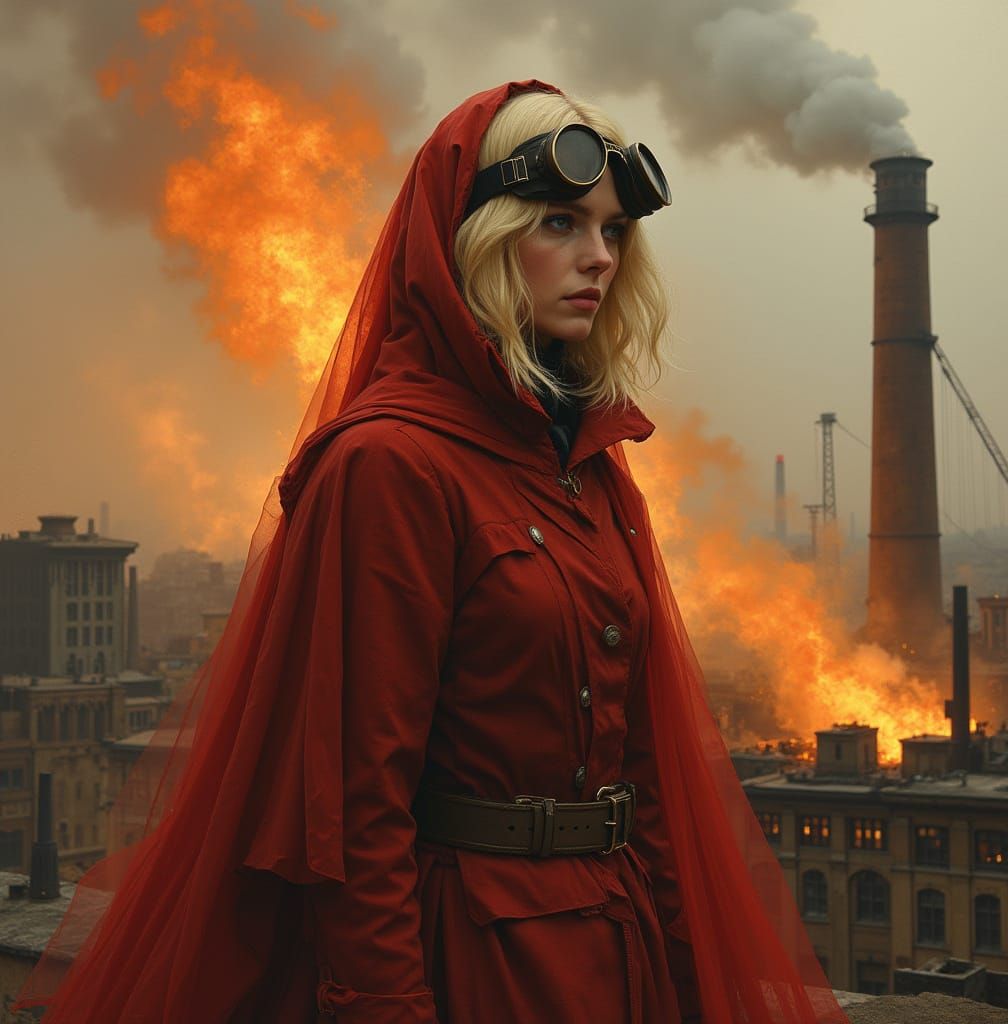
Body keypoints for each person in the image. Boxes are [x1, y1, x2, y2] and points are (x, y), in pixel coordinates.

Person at [16, 81, 848, 1023]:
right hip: (477, 965)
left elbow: (648, 777)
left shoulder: (591, 470)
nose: (600, 257)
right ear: (476, 238)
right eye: (562, 222)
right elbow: (352, 810)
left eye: (615, 231)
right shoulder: (390, 464)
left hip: (619, 957)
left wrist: (689, 984)